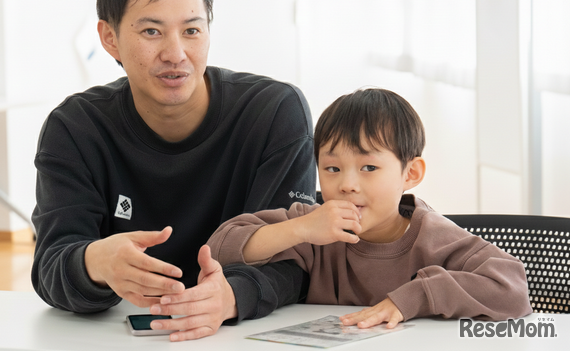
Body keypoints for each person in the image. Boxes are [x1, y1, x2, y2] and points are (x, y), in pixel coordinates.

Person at [31, 0, 316, 341]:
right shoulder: (76, 127)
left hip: (243, 335)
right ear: (110, 38)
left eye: (192, 31)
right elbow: (50, 265)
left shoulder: (274, 112)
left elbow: (297, 255)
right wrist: (95, 262)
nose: (176, 54)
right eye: (152, 31)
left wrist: (232, 297)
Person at [208, 88, 532, 329]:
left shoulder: (434, 236)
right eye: (332, 169)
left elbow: (512, 287)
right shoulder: (313, 225)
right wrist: (299, 230)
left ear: (410, 173)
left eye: (369, 168)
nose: (347, 184)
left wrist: (414, 297)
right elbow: (221, 247)